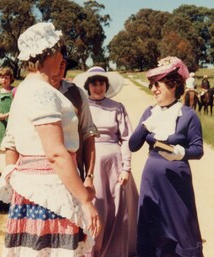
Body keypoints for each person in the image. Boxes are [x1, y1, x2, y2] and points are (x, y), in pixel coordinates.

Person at [0, 22, 100, 256]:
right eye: (60, 50)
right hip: (50, 190)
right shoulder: (42, 91)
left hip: (34, 189)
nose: (62, 56)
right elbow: (55, 154)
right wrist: (85, 200)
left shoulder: (24, 89)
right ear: (50, 53)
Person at [129, 56, 204, 257]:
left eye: (158, 84)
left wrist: (182, 153)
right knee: (151, 224)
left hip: (176, 180)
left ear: (172, 84)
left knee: (181, 224)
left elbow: (198, 150)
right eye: (152, 85)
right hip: (151, 179)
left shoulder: (188, 114)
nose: (153, 89)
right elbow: (133, 145)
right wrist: (146, 125)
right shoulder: (149, 112)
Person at [74, 66, 139, 257]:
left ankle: (117, 251)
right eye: (93, 83)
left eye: (101, 82)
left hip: (115, 164)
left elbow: (127, 137)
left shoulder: (117, 107)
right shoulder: (82, 107)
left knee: (118, 209)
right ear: (88, 86)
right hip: (91, 163)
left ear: (106, 85)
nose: (97, 87)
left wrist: (126, 167)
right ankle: (93, 251)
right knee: (96, 207)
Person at [50, 45, 99, 197]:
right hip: (42, 177)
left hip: (75, 173)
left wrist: (89, 177)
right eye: (53, 64)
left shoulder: (77, 94)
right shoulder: (31, 92)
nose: (57, 70)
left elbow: (88, 134)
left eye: (62, 65)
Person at [0, 67, 17, 146]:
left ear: (10, 78)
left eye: (6, 78)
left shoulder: (15, 91)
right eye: (2, 77)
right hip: (1, 121)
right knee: (0, 141)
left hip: (13, 120)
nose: (4, 80)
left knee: (13, 141)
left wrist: (9, 114)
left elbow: (18, 105)